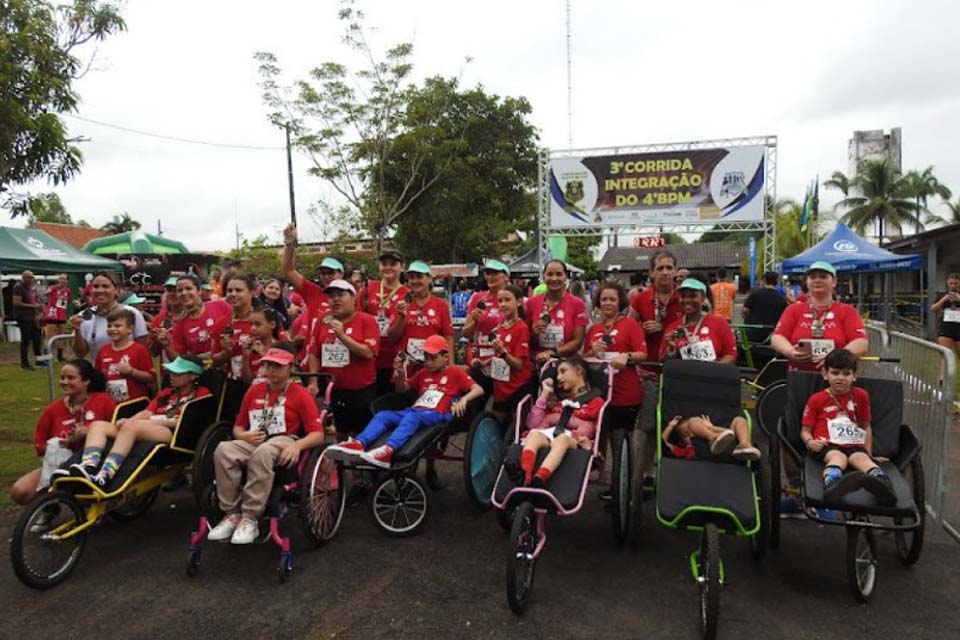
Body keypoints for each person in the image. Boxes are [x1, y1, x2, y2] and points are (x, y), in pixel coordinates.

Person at [207, 346, 325, 544]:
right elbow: (238, 428)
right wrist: (244, 436)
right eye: (267, 365)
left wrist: (297, 446)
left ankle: (250, 517)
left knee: (263, 452)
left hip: (284, 440)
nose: (270, 371)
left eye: (277, 367)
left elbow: (318, 434)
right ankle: (232, 513)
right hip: (255, 438)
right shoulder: (254, 390)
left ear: (290, 368)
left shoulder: (300, 393)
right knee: (223, 450)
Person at [329, 335, 483, 467]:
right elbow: (402, 390)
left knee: (412, 417)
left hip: (439, 413)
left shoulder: (455, 372)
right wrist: (401, 373)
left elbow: (478, 389)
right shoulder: (423, 373)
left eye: (433, 358)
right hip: (417, 410)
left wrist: (464, 399)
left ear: (445, 357)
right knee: (383, 415)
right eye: (426, 358)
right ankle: (359, 443)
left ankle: (388, 450)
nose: (428, 362)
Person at [61, 356, 210, 489]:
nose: (171, 376)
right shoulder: (166, 393)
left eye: (177, 374)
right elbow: (147, 412)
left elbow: (185, 421)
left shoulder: (201, 394)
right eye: (171, 372)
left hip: (172, 433)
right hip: (144, 427)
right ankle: (89, 466)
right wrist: (128, 420)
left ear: (192, 376)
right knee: (98, 425)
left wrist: (148, 423)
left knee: (132, 428)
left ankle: (105, 475)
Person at [9, 359, 116, 506]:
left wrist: (90, 430)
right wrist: (57, 446)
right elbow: (39, 442)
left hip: (93, 463)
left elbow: (117, 431)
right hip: (59, 464)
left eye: (71, 378)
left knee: (81, 496)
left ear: (86, 381)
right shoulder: (53, 409)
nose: (64, 382)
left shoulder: (103, 402)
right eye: (62, 377)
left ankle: (91, 505)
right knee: (19, 491)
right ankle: (49, 508)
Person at [800, 349, 896, 505]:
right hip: (827, 443)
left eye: (846, 374)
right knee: (838, 458)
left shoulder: (861, 395)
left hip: (853, 443)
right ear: (825, 374)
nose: (840, 378)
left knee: (862, 459)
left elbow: (866, 426)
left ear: (854, 376)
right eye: (835, 373)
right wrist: (810, 442)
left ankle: (882, 484)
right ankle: (833, 485)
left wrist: (868, 452)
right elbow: (805, 430)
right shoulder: (816, 399)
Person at [582, 281, 647, 498]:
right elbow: (583, 360)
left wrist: (626, 356)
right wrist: (593, 350)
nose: (607, 303)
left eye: (612, 299)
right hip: (601, 393)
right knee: (608, 435)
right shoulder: (594, 330)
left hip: (626, 392)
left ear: (620, 302)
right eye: (603, 299)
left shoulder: (630, 325)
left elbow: (642, 354)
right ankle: (613, 482)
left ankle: (627, 484)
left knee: (625, 439)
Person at [506, 355, 604, 488]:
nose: (558, 378)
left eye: (563, 371)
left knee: (562, 439)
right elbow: (532, 425)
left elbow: (599, 431)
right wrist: (544, 395)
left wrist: (589, 446)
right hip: (548, 436)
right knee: (534, 434)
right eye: (557, 373)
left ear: (579, 370)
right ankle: (524, 475)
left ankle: (540, 477)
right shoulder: (556, 402)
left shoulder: (596, 402)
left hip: (573, 442)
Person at [307, 279, 380, 436]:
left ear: (353, 298)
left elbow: (368, 352)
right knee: (341, 432)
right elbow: (314, 352)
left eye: (341, 295)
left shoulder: (366, 320)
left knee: (362, 434)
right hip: (333, 388)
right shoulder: (323, 320)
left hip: (361, 390)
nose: (335, 300)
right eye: (332, 296)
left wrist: (342, 336)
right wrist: (313, 382)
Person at [770, 261, 868, 372]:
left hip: (836, 378)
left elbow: (861, 343)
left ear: (834, 282)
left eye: (823, 277)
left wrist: (835, 358)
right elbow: (777, 337)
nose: (817, 280)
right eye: (812, 277)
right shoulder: (794, 309)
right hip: (799, 376)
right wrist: (789, 351)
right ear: (807, 282)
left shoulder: (847, 311)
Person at [389, 261, 454, 378]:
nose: (415, 281)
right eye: (411, 277)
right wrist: (401, 317)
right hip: (406, 366)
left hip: (433, 365)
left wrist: (450, 366)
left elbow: (448, 337)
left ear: (429, 279)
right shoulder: (400, 303)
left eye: (419, 277)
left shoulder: (441, 304)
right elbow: (392, 338)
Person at [360, 249, 409, 396]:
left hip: (394, 357)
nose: (388, 267)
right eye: (384, 263)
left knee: (390, 400)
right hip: (370, 357)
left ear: (402, 266)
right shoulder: (369, 289)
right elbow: (358, 317)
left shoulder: (407, 294)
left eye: (393, 264)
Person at [71, 271, 149, 362]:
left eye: (105, 286)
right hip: (99, 373)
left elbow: (143, 351)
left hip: (129, 372)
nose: (100, 290)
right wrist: (77, 330)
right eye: (96, 286)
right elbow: (80, 353)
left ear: (116, 290)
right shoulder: (85, 316)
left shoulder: (132, 313)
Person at [525, 260, 589, 366]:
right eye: (550, 274)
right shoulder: (531, 303)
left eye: (559, 274)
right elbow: (525, 338)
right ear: (543, 277)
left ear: (565, 277)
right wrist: (535, 333)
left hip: (566, 365)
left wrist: (553, 352)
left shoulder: (577, 304)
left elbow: (578, 341)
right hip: (537, 365)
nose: (554, 279)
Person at [660, 278, 737, 363]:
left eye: (693, 296)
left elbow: (730, 354)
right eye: (683, 296)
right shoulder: (673, 328)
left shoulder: (719, 324)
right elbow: (662, 361)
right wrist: (670, 350)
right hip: (683, 375)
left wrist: (712, 371)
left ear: (703, 298)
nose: (687, 300)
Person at [486, 284, 533, 414]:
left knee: (512, 428)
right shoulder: (499, 326)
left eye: (507, 300)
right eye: (500, 301)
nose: (503, 304)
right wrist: (484, 363)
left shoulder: (521, 328)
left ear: (519, 302)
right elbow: (498, 357)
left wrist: (502, 351)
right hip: (500, 387)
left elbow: (518, 365)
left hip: (516, 388)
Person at [94, 308, 155, 403]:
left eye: (118, 326)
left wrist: (132, 371)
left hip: (135, 403)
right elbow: (97, 377)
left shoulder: (139, 350)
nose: (112, 329)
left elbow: (151, 377)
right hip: (110, 404)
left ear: (130, 329)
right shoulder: (103, 350)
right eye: (109, 326)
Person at [157, 274, 224, 359]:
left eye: (188, 288)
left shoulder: (220, 306)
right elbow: (179, 360)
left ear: (199, 290)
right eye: (180, 290)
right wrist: (167, 346)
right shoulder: (179, 326)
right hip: (201, 370)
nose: (184, 293)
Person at [662, 414, 760, 461]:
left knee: (739, 419)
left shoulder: (708, 430)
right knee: (693, 420)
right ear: (681, 442)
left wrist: (710, 427)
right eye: (686, 434)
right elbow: (663, 442)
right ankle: (713, 438)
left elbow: (730, 433)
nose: (690, 433)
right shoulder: (683, 450)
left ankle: (744, 444)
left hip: (730, 451)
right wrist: (670, 426)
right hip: (705, 455)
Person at [463, 259, 510, 351]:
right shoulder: (477, 298)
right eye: (487, 273)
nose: (490, 277)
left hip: (506, 355)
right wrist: (475, 323)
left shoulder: (515, 299)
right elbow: (465, 333)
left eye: (494, 273)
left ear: (506, 276)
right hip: (482, 354)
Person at [741, 271, 789, 344]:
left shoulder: (755, 294)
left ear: (764, 281)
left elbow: (745, 310)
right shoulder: (781, 298)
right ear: (777, 282)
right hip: (771, 335)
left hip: (751, 333)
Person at [12, 270, 43, 370]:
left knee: (37, 338)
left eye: (32, 277)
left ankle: (39, 360)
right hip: (23, 317)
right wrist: (33, 306)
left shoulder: (29, 288)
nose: (31, 279)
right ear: (24, 278)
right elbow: (16, 303)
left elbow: (32, 300)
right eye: (29, 277)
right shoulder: (19, 288)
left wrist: (37, 309)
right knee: (26, 340)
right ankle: (24, 363)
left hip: (32, 316)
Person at [41, 273, 71, 362]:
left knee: (61, 336)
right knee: (49, 336)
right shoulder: (53, 288)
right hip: (52, 315)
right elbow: (46, 293)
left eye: (64, 279)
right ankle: (46, 356)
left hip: (62, 315)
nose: (62, 280)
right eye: (61, 278)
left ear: (67, 281)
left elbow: (66, 302)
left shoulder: (67, 291)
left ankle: (60, 356)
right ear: (58, 280)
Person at [930, 273, 960, 359]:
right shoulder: (942, 295)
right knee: (945, 356)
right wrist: (943, 300)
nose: (953, 286)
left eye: (955, 283)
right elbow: (932, 309)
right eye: (951, 283)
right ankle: (943, 373)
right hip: (945, 328)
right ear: (947, 283)